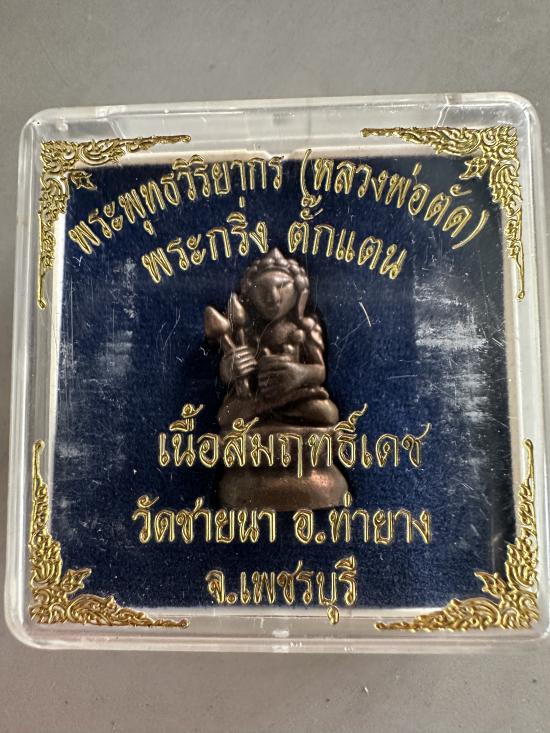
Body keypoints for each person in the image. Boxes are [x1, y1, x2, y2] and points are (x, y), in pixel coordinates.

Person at [216, 248, 339, 428]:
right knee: (225, 417)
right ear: (249, 296)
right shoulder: (246, 333)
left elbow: (320, 371)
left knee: (327, 412)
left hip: (295, 396)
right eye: (262, 289)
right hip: (255, 397)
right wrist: (229, 370)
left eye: (282, 286)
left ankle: (265, 410)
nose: (273, 298)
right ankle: (263, 408)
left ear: (299, 291)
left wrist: (298, 374)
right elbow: (231, 375)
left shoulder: (306, 328)